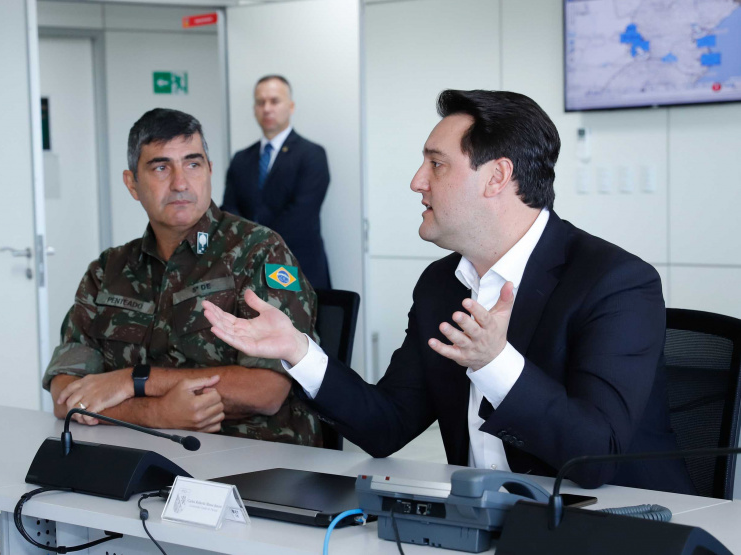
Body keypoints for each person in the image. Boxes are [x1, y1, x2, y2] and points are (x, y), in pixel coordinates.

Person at [204, 90, 695, 492]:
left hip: (626, 529)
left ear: (497, 177)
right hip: (484, 526)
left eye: (436, 165)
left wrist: (495, 362)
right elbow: (386, 425)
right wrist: (298, 349)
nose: (418, 182)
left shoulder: (615, 282)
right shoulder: (442, 284)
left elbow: (595, 460)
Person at [43, 108, 322, 447]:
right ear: (132, 184)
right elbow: (64, 394)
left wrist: (133, 381)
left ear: (209, 171)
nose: (180, 183)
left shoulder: (260, 252)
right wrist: (156, 415)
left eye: (193, 164)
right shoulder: (107, 270)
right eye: (161, 167)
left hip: (253, 461)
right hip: (137, 452)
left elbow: (265, 391)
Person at [222, 75, 332, 290]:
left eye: (274, 101)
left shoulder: (312, 154)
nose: (267, 108)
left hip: (295, 264)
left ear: (290, 106)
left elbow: (301, 214)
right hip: (247, 269)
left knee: (297, 323)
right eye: (260, 102)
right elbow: (229, 209)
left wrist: (253, 245)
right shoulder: (241, 158)